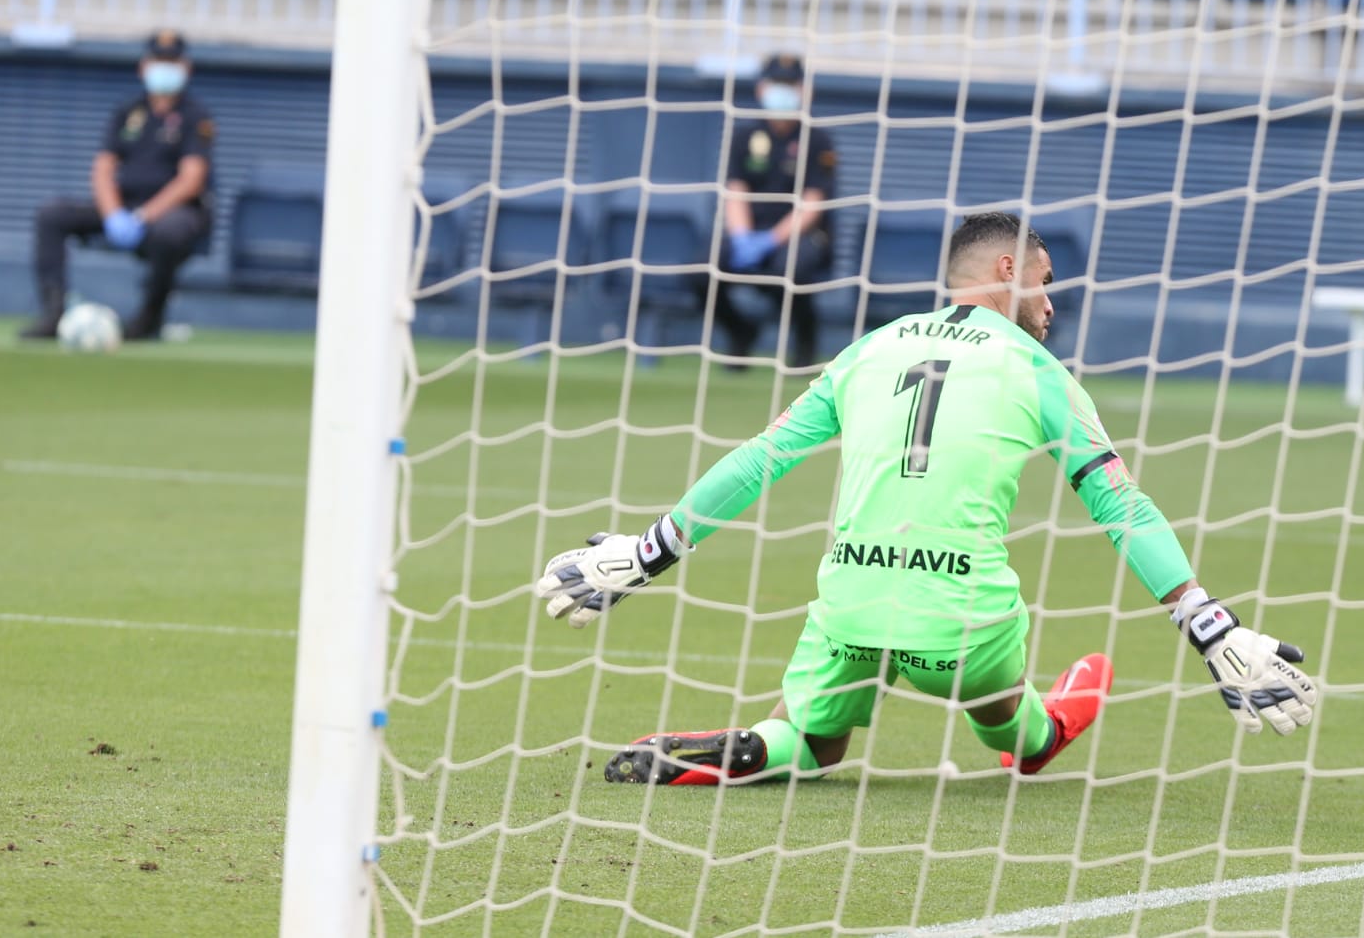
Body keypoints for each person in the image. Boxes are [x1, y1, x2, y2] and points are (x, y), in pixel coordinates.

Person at [536, 211, 1319, 786]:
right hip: (964, 630)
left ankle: (757, 745)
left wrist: (644, 554)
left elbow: (760, 458)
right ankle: (1037, 727)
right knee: (1015, 724)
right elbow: (1124, 507)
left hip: (850, 608)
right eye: (1046, 283)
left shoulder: (869, 347)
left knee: (812, 743)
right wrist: (1211, 627)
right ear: (1007, 269)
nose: (1052, 305)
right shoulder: (1043, 373)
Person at [20, 31, 216, 342]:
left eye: (171, 62)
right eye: (158, 61)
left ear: (186, 68)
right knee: (52, 215)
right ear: (143, 67)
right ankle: (53, 312)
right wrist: (113, 214)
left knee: (171, 231)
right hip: (124, 204)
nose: (164, 69)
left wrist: (142, 217)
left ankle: (149, 319)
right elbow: (103, 169)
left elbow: (191, 180)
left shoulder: (196, 116)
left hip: (171, 211)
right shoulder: (128, 112)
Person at [712, 53, 838, 371]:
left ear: (803, 90)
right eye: (776, 84)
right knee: (703, 269)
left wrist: (771, 239)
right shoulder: (744, 136)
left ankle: (805, 338)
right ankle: (740, 332)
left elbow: (813, 201)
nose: (781, 91)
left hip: (800, 234)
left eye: (789, 84)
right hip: (750, 230)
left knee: (789, 267)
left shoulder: (817, 140)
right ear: (761, 88)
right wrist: (742, 237)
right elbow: (735, 191)